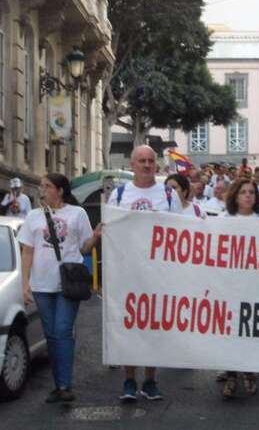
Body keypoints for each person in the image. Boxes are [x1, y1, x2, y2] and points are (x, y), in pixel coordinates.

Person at [107, 145, 183, 402]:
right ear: (132, 164)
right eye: (142, 160)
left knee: (153, 326)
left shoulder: (168, 194)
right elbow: (110, 229)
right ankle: (129, 379)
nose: (147, 165)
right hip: (126, 271)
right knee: (128, 323)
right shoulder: (119, 194)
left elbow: (181, 230)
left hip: (158, 272)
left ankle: (150, 380)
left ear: (156, 165)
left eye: (151, 160)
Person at [17, 173, 101, 403]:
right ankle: (58, 384)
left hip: (68, 283)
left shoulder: (77, 213)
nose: (42, 190)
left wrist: (94, 236)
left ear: (60, 190)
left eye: (47, 186)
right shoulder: (33, 216)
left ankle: (64, 384)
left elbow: (84, 249)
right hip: (41, 284)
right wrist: (25, 283)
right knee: (51, 335)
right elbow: (27, 252)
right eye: (41, 186)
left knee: (63, 331)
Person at [218, 178, 259, 399]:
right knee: (230, 332)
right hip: (229, 285)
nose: (248, 196)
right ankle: (231, 375)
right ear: (235, 196)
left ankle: (249, 372)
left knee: (249, 331)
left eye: (252, 192)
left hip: (253, 287)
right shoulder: (224, 221)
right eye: (243, 192)